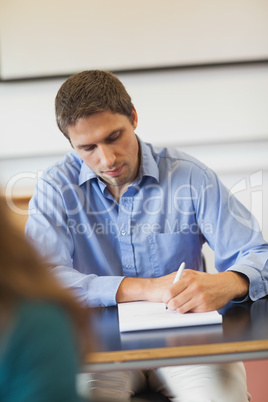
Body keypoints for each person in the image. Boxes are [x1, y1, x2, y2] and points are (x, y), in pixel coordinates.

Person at [25, 70, 268, 401]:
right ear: (71, 144)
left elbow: (258, 253)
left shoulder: (190, 176)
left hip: (190, 342)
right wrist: (144, 289)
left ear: (134, 118)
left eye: (114, 137)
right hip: (99, 348)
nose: (106, 159)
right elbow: (42, 280)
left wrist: (232, 281)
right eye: (88, 147)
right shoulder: (55, 187)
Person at [0, 196, 92, 402]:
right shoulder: (55, 186)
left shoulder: (34, 322)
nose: (108, 161)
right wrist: (136, 287)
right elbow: (52, 270)